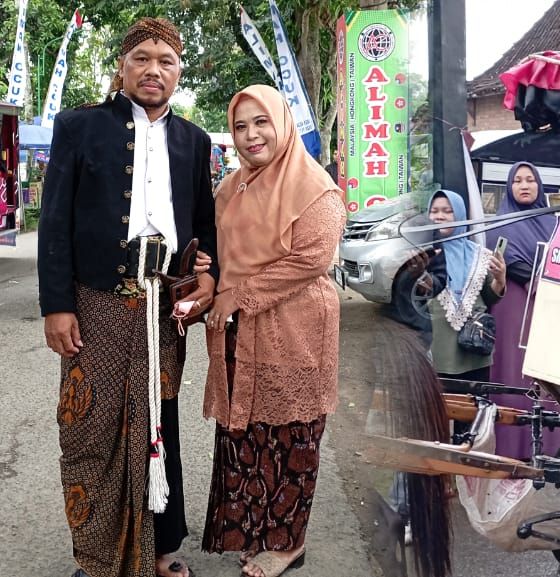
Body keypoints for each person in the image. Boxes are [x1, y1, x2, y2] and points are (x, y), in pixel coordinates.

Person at [37, 18, 215, 577]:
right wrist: (56, 305)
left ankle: (159, 551)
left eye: (166, 60)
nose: (153, 69)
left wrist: (208, 276)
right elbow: (54, 221)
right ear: (122, 64)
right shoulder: (79, 127)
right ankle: (96, 559)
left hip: (164, 309)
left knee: (157, 423)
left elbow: (205, 228)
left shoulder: (194, 139)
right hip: (95, 302)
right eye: (141, 57)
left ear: (179, 71)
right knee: (90, 427)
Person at [199, 85, 344, 577]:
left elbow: (313, 259)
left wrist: (239, 295)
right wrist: (206, 277)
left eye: (261, 122)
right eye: (240, 126)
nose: (250, 135)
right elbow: (218, 257)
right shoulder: (230, 189)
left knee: (292, 437)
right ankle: (257, 530)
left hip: (295, 329)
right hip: (238, 333)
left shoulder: (314, 187)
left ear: (281, 124)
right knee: (248, 433)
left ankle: (288, 542)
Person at [486, 161, 560, 459]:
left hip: (550, 311)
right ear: (509, 186)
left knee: (546, 377)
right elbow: (511, 263)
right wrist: (541, 275)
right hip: (514, 308)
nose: (524, 185)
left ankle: (551, 446)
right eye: (518, 180)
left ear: (539, 186)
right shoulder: (500, 224)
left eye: (530, 180)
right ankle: (511, 447)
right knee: (512, 374)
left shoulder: (555, 223)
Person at [426, 189, 508, 382]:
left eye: (447, 211)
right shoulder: (421, 253)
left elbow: (490, 298)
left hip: (474, 353)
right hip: (433, 352)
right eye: (434, 211)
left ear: (461, 215)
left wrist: (500, 278)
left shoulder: (481, 255)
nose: (440, 216)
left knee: (473, 409)